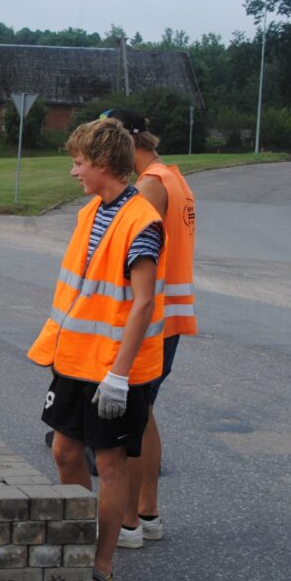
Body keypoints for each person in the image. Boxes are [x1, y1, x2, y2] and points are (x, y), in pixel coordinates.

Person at [28, 118, 166, 581]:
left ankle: (101, 567)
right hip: (74, 360)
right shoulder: (91, 211)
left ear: (104, 165)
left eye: (79, 162)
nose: (73, 172)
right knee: (65, 452)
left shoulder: (142, 219)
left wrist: (118, 376)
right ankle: (77, 541)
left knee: (109, 465)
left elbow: (143, 303)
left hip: (113, 369)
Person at [103, 108, 196, 549]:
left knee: (134, 418)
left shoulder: (150, 185)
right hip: (170, 315)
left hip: (153, 319)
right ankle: (147, 511)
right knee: (146, 415)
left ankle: (128, 521)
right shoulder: (172, 175)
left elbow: (131, 250)